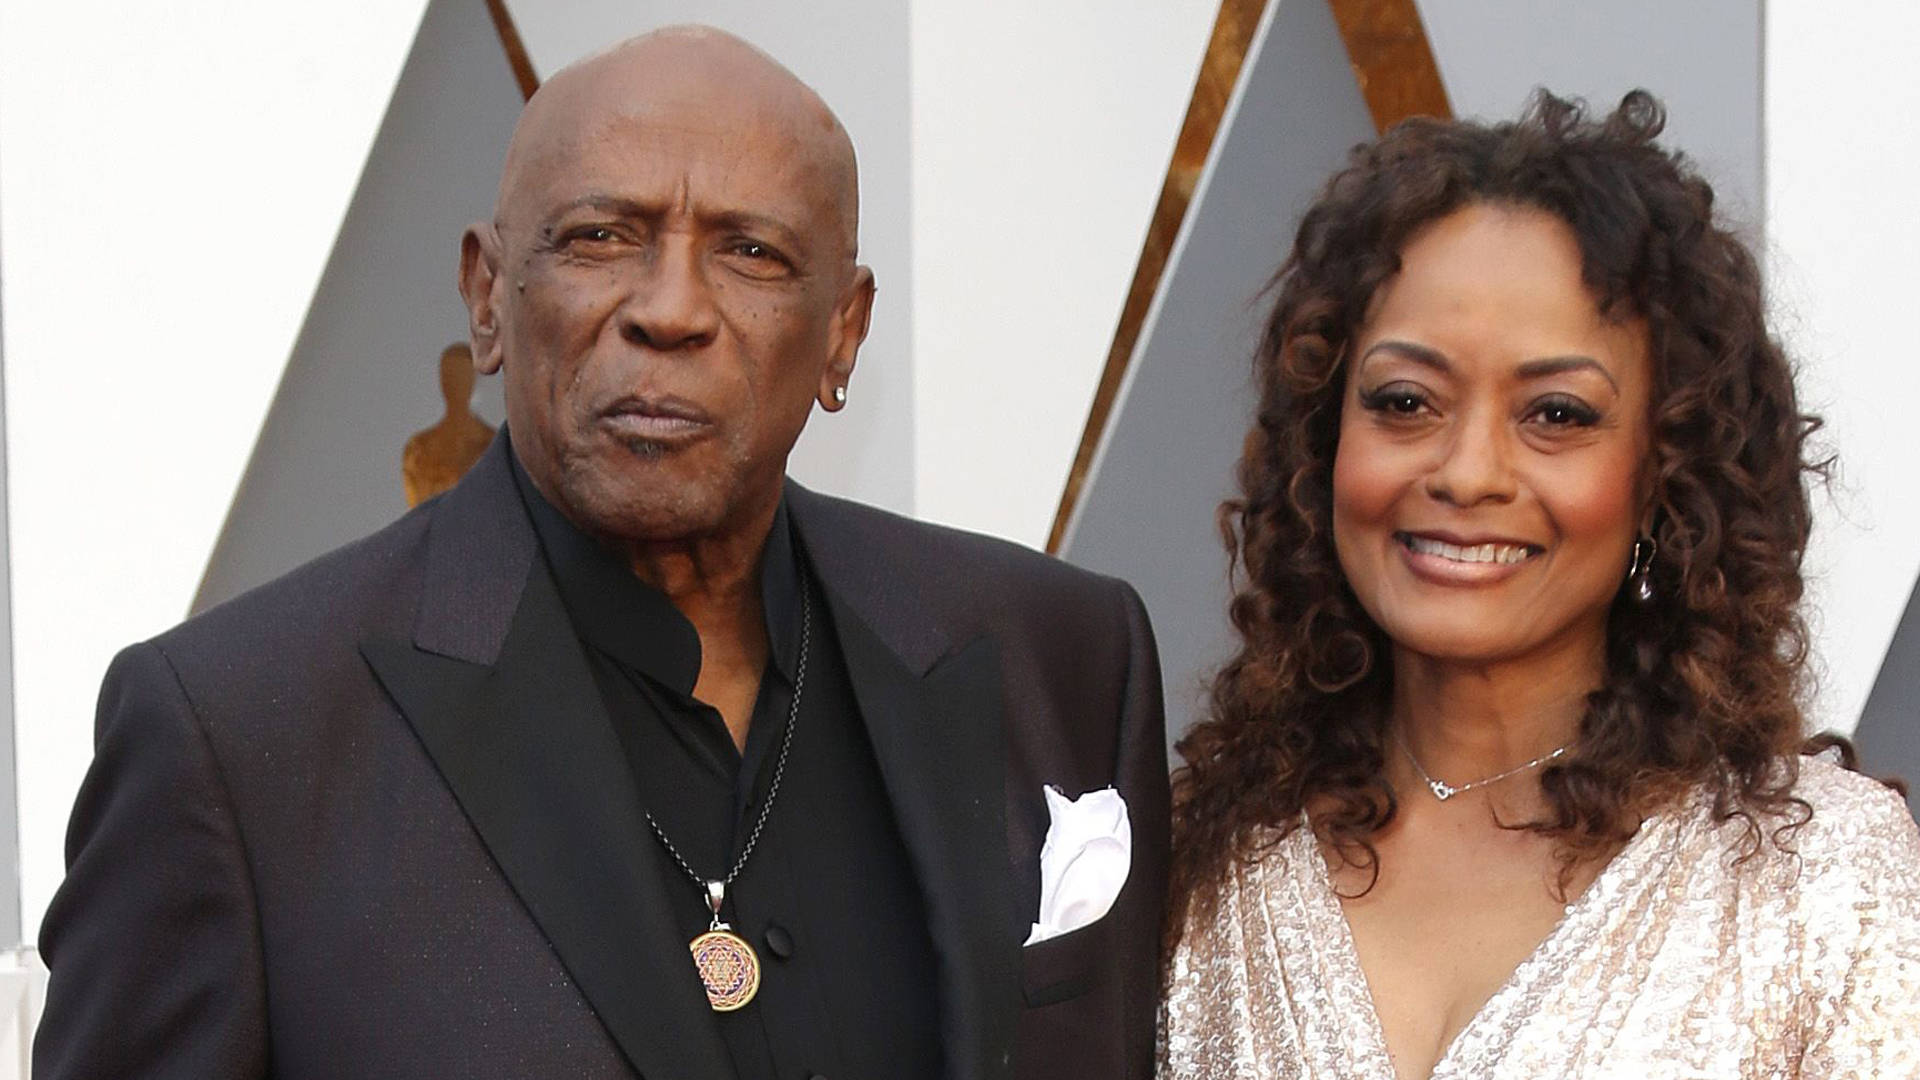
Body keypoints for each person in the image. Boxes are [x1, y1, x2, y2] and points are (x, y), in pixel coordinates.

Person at [35, 27, 1169, 1080]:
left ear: (844, 331)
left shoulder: (1056, 653)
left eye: (752, 253)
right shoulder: (239, 738)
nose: (670, 310)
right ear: (486, 295)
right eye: (600, 238)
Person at [1160, 91, 1920, 1078]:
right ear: (1321, 442)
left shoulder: (1818, 883)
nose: (1467, 471)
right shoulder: (1193, 867)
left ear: (1666, 473)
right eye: (1405, 402)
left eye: (1556, 414)